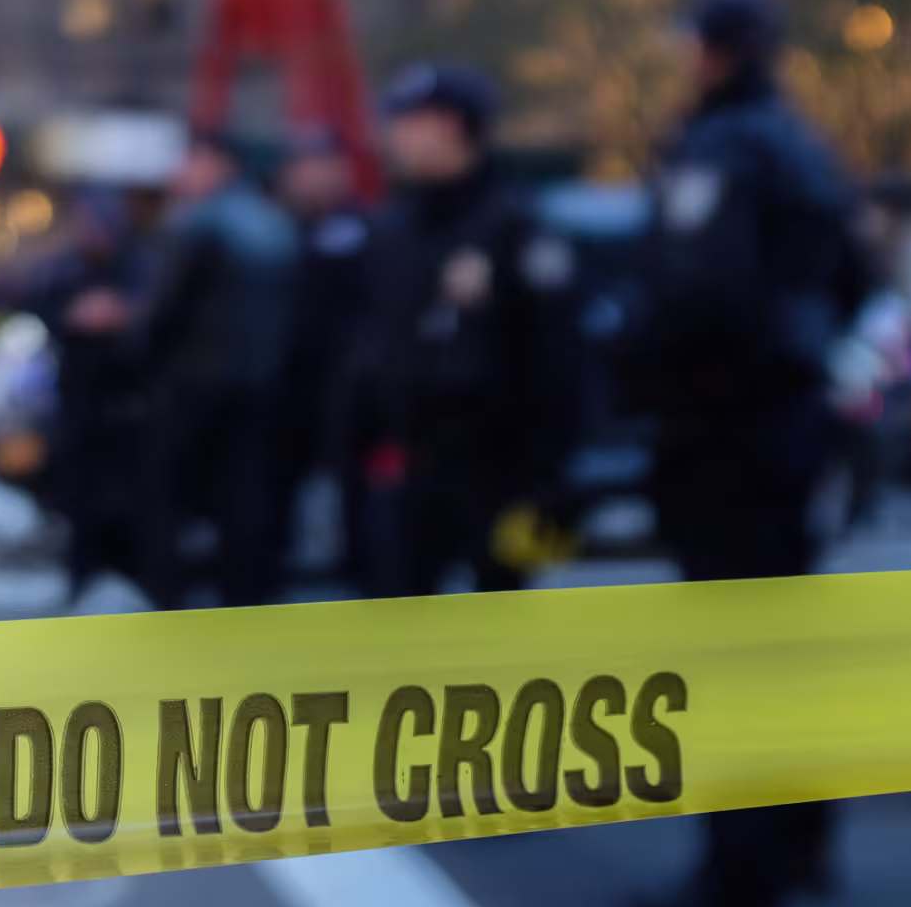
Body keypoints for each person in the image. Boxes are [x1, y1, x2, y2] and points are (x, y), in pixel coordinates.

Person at [617, 0, 871, 907]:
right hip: (786, 421)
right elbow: (850, 282)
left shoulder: (724, 149)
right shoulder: (802, 145)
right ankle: (799, 844)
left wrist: (632, 361)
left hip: (726, 429)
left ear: (710, 53)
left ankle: (738, 877)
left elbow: (696, 294)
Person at [351, 64, 582, 602]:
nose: (395, 136)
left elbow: (556, 357)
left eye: (409, 121)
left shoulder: (515, 225)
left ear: (452, 126)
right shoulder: (392, 229)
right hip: (408, 463)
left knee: (500, 626)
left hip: (498, 464)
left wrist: (550, 475)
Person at [136, 131, 298, 610]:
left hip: (194, 383)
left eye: (189, 161)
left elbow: (167, 308)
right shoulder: (273, 221)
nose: (180, 174)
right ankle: (243, 599)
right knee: (244, 500)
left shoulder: (199, 223)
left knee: (163, 494)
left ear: (218, 163)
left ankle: (166, 598)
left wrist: (137, 354)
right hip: (261, 381)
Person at [30, 194, 149, 603]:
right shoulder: (67, 269)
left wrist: (121, 315)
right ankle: (80, 580)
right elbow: (45, 309)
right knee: (79, 500)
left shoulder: (138, 265)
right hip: (78, 404)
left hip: (127, 409)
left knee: (125, 504)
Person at [273, 142, 374, 587]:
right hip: (283, 381)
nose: (313, 177)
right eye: (303, 166)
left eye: (323, 166)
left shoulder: (366, 227)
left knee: (356, 491)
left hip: (349, 382)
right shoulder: (274, 228)